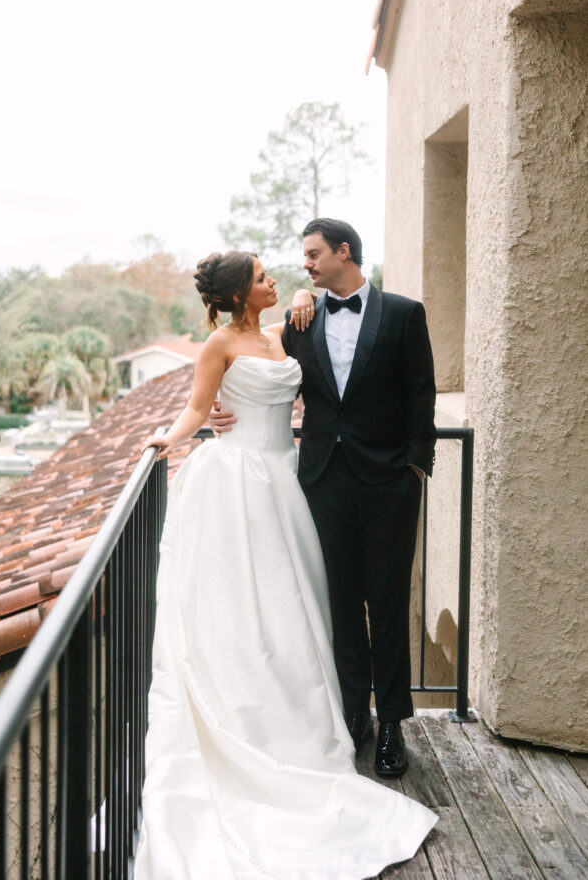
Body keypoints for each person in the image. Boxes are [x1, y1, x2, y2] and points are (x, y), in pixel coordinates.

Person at [134, 249, 436, 880]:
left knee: (297, 602)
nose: (276, 281)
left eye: (280, 274)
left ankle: (350, 717)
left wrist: (306, 298)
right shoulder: (218, 343)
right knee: (244, 604)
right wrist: (174, 436)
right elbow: (198, 405)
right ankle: (258, 719)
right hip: (235, 478)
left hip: (287, 480)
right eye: (265, 277)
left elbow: (323, 320)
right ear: (243, 291)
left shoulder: (281, 331)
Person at [211, 219, 436, 778]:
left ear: (344, 252)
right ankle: (353, 712)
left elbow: (420, 393)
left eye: (312, 255)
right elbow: (249, 363)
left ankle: (392, 727)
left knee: (386, 604)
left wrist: (413, 467)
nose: (304, 264)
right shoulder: (299, 320)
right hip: (320, 482)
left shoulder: (405, 314)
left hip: (389, 484)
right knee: (337, 601)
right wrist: (220, 413)